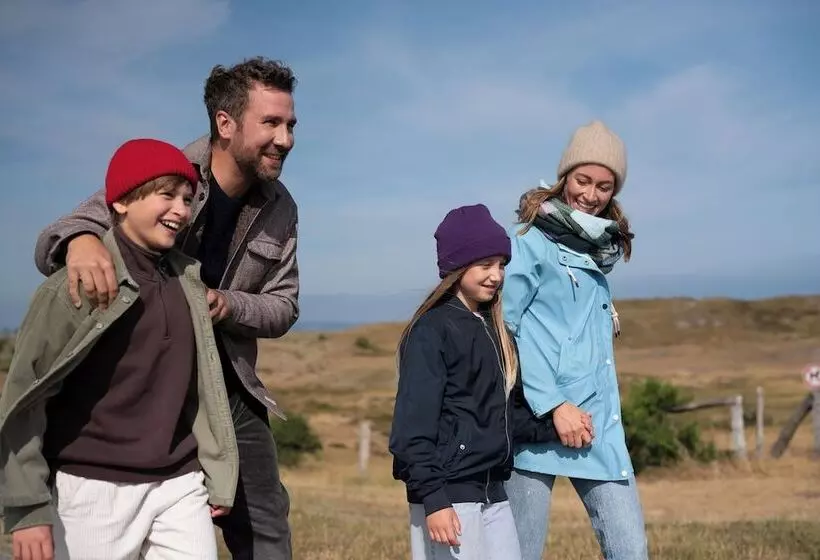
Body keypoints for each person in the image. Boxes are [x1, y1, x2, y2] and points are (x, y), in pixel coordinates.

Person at [33, 57, 299, 559]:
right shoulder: (168, 172)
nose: (284, 139)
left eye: (289, 125)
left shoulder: (282, 207)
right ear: (225, 123)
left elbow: (284, 306)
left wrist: (227, 305)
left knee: (266, 526)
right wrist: (81, 242)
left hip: (230, 379)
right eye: (270, 123)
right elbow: (61, 234)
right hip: (146, 375)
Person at [0, 138, 239, 560]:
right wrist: (28, 508)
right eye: (166, 195)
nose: (181, 211)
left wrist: (217, 475)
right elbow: (25, 400)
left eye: (187, 199)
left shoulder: (190, 284)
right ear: (123, 201)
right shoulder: (71, 288)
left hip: (179, 484)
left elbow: (198, 390)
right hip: (91, 488)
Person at [389, 204, 590, 560]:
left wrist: (553, 426)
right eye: (485, 265)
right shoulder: (431, 331)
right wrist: (434, 500)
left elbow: (503, 416)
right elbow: (411, 431)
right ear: (456, 266)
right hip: (448, 494)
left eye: (501, 265)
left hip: (494, 490)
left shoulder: (495, 332)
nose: (496, 275)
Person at [502, 120, 648, 559]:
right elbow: (505, 332)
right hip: (536, 420)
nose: (591, 194)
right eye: (583, 180)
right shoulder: (528, 241)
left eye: (605, 186)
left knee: (631, 550)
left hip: (597, 421)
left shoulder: (599, 248)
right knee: (518, 553)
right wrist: (552, 404)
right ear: (565, 177)